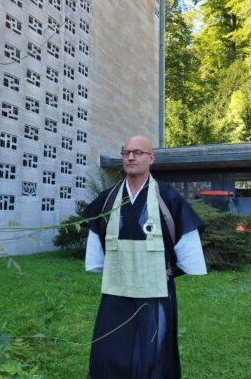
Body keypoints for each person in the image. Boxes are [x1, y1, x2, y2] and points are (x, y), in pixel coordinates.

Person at [84, 135, 207, 379]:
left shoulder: (167, 197)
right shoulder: (108, 198)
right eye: (126, 152)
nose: (131, 157)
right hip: (116, 287)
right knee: (110, 347)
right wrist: (98, 265)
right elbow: (96, 238)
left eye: (138, 152)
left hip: (156, 288)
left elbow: (186, 240)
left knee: (154, 348)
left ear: (151, 158)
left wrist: (176, 270)